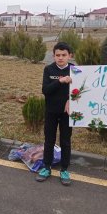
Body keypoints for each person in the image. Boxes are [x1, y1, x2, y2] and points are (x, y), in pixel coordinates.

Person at [36, 42, 73, 186]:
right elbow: (46, 90)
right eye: (58, 55)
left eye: (64, 55)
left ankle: (64, 169)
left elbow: (81, 91)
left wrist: (71, 100)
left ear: (70, 55)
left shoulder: (75, 70)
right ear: (54, 56)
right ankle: (46, 167)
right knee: (49, 140)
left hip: (67, 113)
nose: (61, 58)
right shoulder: (49, 69)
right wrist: (61, 81)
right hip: (51, 111)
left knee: (65, 141)